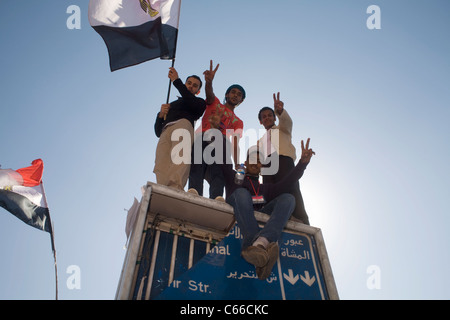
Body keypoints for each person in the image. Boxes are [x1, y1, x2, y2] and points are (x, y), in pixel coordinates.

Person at [222, 137, 315, 280]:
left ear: (262, 167)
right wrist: (218, 135)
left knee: (289, 198)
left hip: (256, 215)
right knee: (242, 193)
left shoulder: (264, 189)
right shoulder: (235, 177)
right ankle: (252, 245)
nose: (256, 163)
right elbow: (223, 162)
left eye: (259, 161)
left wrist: (302, 164)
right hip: (238, 205)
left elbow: (288, 182)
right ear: (245, 163)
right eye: (252, 159)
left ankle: (261, 244)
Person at [188, 60, 245, 200]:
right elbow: (209, 93)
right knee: (197, 163)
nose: (235, 95)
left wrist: (237, 162)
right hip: (203, 136)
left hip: (222, 141)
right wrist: (209, 82)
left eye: (239, 95)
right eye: (233, 92)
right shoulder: (215, 103)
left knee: (219, 168)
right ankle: (194, 189)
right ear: (227, 95)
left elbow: (235, 141)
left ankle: (217, 195)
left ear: (241, 100)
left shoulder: (238, 122)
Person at [258, 92, 311, 225]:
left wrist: (280, 111)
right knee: (269, 192)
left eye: (270, 115)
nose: (267, 118)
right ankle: (275, 216)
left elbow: (287, 121)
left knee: (291, 187)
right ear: (261, 121)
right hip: (267, 166)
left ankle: (300, 218)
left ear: (275, 118)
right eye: (264, 117)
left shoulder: (283, 129)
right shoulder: (260, 141)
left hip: (283, 161)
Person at [153, 67, 206, 190]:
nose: (190, 86)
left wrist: (177, 81)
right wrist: (160, 116)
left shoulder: (199, 102)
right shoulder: (171, 105)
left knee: (180, 157)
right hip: (165, 131)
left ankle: (176, 187)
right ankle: (162, 188)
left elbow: (191, 102)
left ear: (198, 91)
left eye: (195, 86)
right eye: (189, 83)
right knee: (161, 162)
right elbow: (157, 131)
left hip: (183, 125)